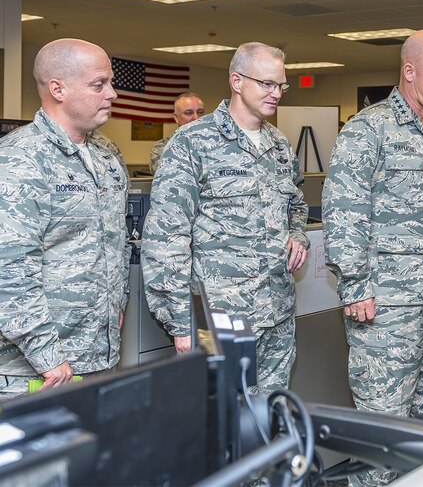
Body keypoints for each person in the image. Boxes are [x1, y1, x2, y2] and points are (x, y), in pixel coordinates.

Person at [322, 29, 423, 487]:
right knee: (383, 434)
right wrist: (354, 286)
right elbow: (344, 210)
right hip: (385, 308)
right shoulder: (368, 130)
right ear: (409, 72)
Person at [142, 42, 309, 392]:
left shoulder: (279, 146)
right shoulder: (192, 143)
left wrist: (299, 236)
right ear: (237, 81)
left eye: (281, 85)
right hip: (222, 317)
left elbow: (296, 204)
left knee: (268, 420)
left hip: (277, 312)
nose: (276, 93)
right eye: (266, 83)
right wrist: (180, 323)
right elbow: (165, 239)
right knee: (221, 424)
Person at [0, 38, 130, 400]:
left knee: (95, 455)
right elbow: (9, 268)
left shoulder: (106, 154)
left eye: (111, 82)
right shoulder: (21, 159)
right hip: (36, 367)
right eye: (98, 84)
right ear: (58, 89)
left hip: (97, 354)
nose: (112, 94)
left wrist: (115, 307)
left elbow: (113, 242)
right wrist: (47, 354)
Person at [148, 93, 205, 174]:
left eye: (200, 112)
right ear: (176, 117)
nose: (196, 117)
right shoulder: (162, 147)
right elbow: (168, 176)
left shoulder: (214, 143)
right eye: (188, 113)